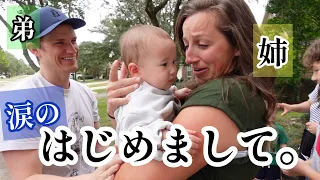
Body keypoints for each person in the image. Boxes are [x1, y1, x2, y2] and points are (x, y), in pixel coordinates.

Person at [106, 0, 276, 179]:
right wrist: (117, 110)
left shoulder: (225, 94)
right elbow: (128, 138)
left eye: (202, 45)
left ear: (237, 45)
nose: (188, 58)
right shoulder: (232, 89)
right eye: (186, 45)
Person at [0, 6, 123, 179]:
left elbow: (97, 147)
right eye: (60, 43)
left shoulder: (85, 92)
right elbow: (27, 176)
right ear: (34, 49)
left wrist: (119, 118)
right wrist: (92, 178)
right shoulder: (19, 100)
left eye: (73, 41)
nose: (72, 50)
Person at [114, 24, 200, 160]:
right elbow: (135, 135)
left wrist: (175, 94)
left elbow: (161, 97)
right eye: (164, 64)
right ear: (136, 70)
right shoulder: (137, 103)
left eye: (174, 62)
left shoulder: (157, 88)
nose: (173, 70)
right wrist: (167, 138)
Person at [278, 38, 320, 180]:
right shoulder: (319, 88)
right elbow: (310, 103)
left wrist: (319, 129)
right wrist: (291, 107)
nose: (313, 78)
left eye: (317, 71)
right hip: (313, 146)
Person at [255, 110, 288, 180]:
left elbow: (283, 146)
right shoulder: (257, 128)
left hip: (273, 163)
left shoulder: (279, 129)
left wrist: (284, 161)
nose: (272, 114)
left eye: (274, 112)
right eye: (269, 112)